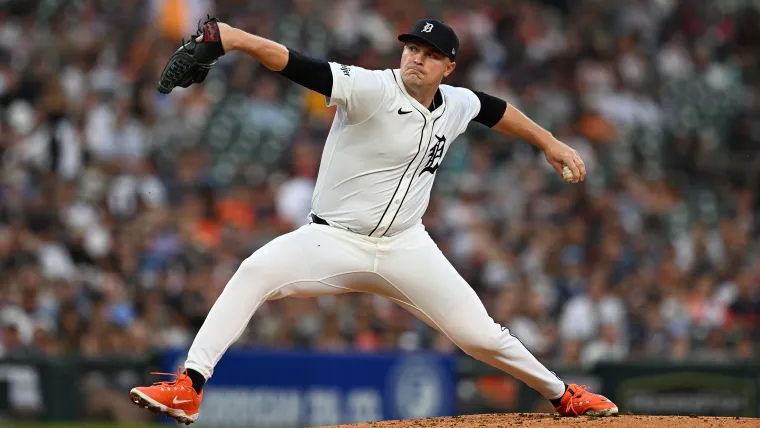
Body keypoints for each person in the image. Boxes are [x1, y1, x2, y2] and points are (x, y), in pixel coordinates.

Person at [129, 18, 617, 424]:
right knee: (254, 271)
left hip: (407, 246)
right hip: (332, 240)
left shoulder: (457, 103)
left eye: (429, 53)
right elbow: (299, 65)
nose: (415, 58)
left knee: (480, 335)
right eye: (411, 48)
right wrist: (234, 39)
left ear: (448, 66)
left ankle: (562, 395)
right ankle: (189, 385)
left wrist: (549, 142)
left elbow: (495, 110)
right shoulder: (371, 88)